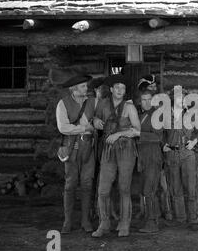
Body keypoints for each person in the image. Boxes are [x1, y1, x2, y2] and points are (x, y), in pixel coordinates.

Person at [92, 74, 141, 238]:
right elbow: (95, 118)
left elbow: (137, 130)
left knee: (124, 188)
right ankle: (104, 223)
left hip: (126, 149)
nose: (120, 90)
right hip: (108, 150)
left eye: (123, 88)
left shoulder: (129, 107)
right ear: (111, 89)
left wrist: (119, 134)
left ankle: (124, 223)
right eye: (117, 87)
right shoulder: (103, 104)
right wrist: (95, 122)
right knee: (103, 190)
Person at [56, 74, 95, 234]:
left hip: (88, 149)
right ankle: (68, 221)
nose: (86, 88)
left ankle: (85, 221)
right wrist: (84, 128)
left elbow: (98, 120)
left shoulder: (92, 102)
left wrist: (95, 124)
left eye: (86, 86)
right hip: (71, 149)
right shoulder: (63, 104)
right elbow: (63, 128)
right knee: (70, 185)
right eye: (83, 86)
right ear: (74, 88)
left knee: (87, 184)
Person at [163, 86, 198, 231]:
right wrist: (164, 144)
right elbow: (160, 133)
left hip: (187, 154)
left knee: (191, 187)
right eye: (179, 97)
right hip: (172, 154)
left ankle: (194, 219)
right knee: (175, 188)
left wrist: (194, 141)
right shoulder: (165, 115)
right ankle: (180, 218)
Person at [137, 90, 164, 233]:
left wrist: (138, 134)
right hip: (142, 158)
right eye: (143, 100)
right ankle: (151, 217)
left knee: (149, 189)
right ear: (140, 101)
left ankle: (152, 223)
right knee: (145, 189)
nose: (146, 102)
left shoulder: (156, 116)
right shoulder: (140, 115)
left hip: (153, 157)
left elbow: (158, 137)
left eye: (149, 99)